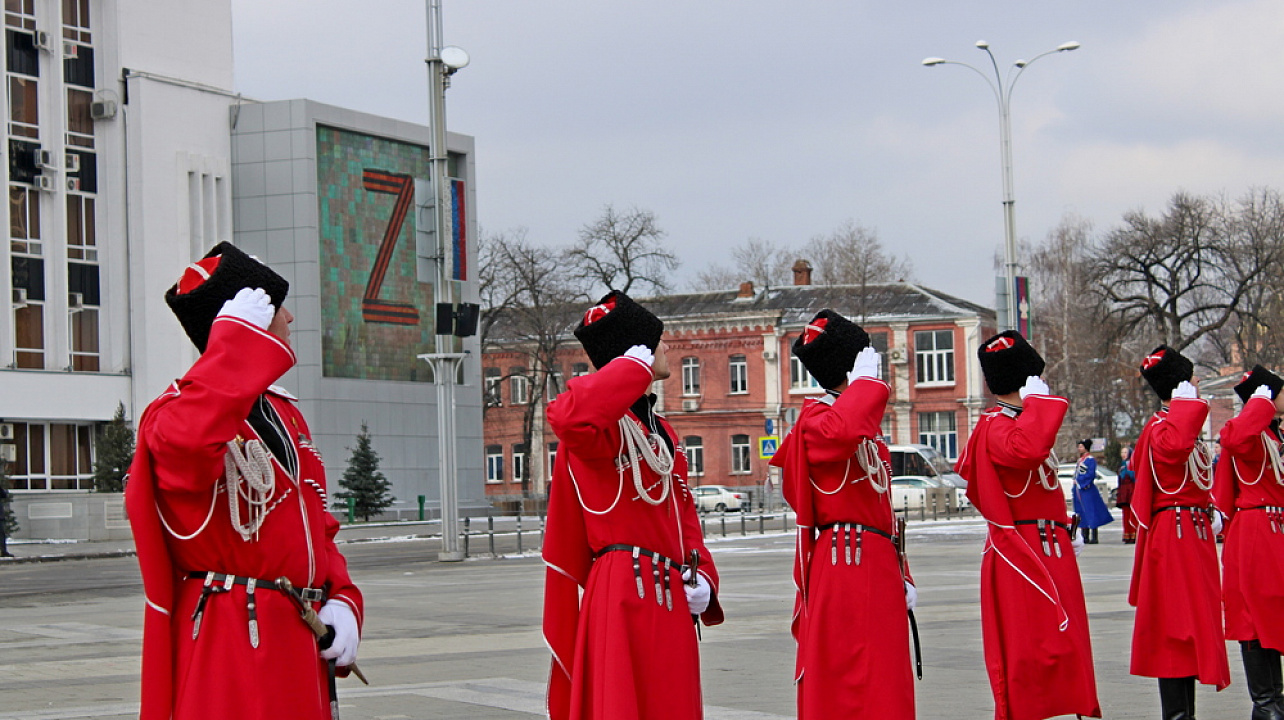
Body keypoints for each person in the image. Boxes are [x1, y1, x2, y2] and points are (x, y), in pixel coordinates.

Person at [125, 242, 363, 720]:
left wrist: (341, 597)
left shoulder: (283, 413)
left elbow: (315, 525)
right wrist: (233, 353)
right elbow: (189, 451)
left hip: (296, 632)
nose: (289, 317)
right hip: (230, 636)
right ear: (242, 326)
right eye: (276, 307)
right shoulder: (174, 414)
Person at [541, 290, 724, 720]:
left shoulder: (661, 431)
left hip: (671, 588)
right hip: (624, 587)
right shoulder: (601, 430)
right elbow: (566, 416)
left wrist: (704, 575)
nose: (665, 347)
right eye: (656, 341)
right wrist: (628, 369)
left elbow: (683, 516)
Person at [769, 310, 916, 719]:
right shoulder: (816, 420)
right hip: (845, 558)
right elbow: (841, 432)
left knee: (886, 678)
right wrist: (865, 385)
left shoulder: (862, 425)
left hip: (876, 558)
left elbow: (881, 511)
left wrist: (903, 572)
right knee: (848, 679)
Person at [955, 330, 1101, 720]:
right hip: (1020, 552)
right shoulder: (996, 427)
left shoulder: (1020, 422)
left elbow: (1040, 485)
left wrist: (1062, 526)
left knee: (1066, 649)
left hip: (1048, 544)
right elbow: (1028, 450)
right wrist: (1038, 405)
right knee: (1031, 655)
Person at [1128, 345, 1230, 720]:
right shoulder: (1161, 428)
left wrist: (1210, 508)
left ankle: (1185, 714)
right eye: (1191, 377)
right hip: (1174, 535)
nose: (1198, 381)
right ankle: (1177, 715)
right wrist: (1184, 409)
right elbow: (1173, 450)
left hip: (1193, 530)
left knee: (1193, 626)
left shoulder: (1181, 426)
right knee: (1175, 627)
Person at [1214, 365, 1284, 720]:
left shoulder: (1273, 434)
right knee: (1256, 615)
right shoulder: (1247, 431)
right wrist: (1259, 405)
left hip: (1275, 527)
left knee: (1272, 613)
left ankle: (1275, 698)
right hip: (1257, 526)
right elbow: (1233, 439)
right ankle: (1266, 701)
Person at [1073, 439, 1114, 544]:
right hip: (1079, 490)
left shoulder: (1090, 460)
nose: (1079, 448)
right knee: (1082, 512)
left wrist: (1081, 481)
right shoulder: (1080, 460)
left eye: (1081, 446)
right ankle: (1085, 535)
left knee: (1091, 511)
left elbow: (1091, 474)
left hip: (1087, 489)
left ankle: (1094, 536)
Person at [1117, 446, 1138, 543]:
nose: (1123, 454)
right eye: (1122, 452)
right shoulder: (1121, 465)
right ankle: (1127, 534)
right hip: (1124, 492)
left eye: (1125, 452)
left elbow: (1134, 477)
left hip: (1131, 491)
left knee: (1131, 513)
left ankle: (1133, 534)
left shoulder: (1132, 464)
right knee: (1125, 514)